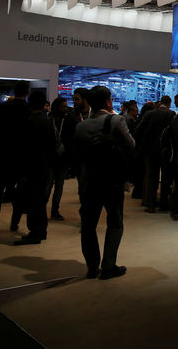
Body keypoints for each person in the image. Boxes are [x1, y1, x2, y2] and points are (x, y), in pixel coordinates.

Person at [72, 85, 134, 280]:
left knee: (88, 224)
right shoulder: (116, 120)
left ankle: (92, 266)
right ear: (108, 101)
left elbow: (77, 154)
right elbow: (131, 144)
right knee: (115, 222)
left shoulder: (81, 126)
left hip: (88, 180)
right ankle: (108, 265)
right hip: (111, 180)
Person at [13, 92, 55, 246]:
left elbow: (25, 148)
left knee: (32, 201)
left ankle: (35, 232)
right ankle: (41, 230)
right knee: (40, 201)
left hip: (32, 168)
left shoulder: (29, 122)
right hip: (44, 167)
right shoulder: (46, 121)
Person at [0, 80, 32, 232]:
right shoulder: (28, 110)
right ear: (27, 93)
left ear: (15, 92)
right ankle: (14, 223)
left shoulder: (3, 108)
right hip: (21, 157)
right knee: (19, 194)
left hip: (3, 154)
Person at [134, 96, 175, 213]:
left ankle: (151, 204)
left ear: (161, 102)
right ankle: (163, 204)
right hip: (165, 151)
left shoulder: (149, 114)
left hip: (150, 151)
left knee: (152, 177)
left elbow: (138, 130)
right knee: (166, 178)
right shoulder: (171, 114)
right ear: (169, 103)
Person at [47, 97, 76, 221]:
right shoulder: (49, 120)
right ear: (56, 107)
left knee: (59, 187)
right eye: (63, 106)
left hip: (63, 159)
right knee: (47, 186)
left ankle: (55, 210)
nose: (65, 108)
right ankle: (42, 208)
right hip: (51, 158)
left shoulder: (69, 120)